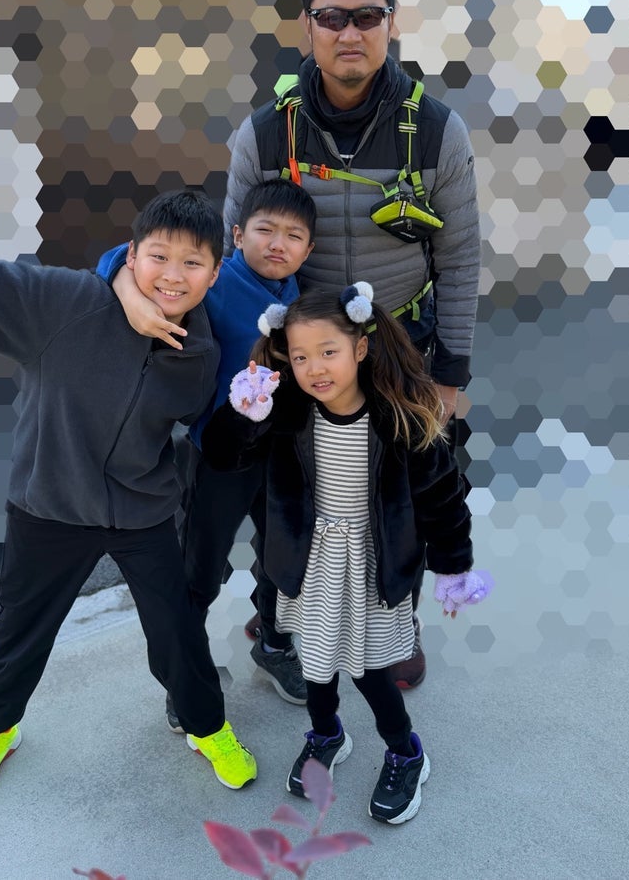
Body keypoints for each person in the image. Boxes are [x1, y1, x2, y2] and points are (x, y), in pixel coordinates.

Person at [0, 192, 257, 804]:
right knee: (20, 631)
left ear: (214, 271)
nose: (173, 276)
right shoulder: (65, 303)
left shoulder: (201, 350)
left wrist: (249, 412)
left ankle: (206, 728)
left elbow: (202, 428)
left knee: (178, 631)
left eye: (193, 263)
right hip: (49, 504)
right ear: (132, 254)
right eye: (159, 256)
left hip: (143, 510)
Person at [223, 0, 481, 688]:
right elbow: (230, 250)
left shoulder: (437, 131)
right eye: (332, 16)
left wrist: (450, 374)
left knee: (405, 496)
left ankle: (393, 625)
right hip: (298, 352)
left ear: (391, 23)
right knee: (287, 496)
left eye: (367, 15)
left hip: (400, 347)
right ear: (306, 25)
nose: (350, 32)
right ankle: (280, 619)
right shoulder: (264, 134)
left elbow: (460, 257)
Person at [200, 284, 492, 824]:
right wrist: (242, 414)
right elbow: (222, 456)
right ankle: (326, 734)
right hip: (309, 562)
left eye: (328, 351)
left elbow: (442, 498)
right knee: (315, 664)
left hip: (372, 566)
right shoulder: (285, 412)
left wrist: (453, 567)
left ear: (359, 348)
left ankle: (405, 751)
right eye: (301, 356)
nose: (315, 368)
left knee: (370, 671)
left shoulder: (400, 417)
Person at [99, 179, 317, 714]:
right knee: (200, 566)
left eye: (293, 236)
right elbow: (116, 257)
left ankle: (275, 644)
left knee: (286, 554)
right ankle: (185, 675)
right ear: (237, 236)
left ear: (309, 249)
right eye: (265, 230)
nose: (278, 245)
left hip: (283, 453)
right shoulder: (217, 281)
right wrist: (130, 295)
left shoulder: (300, 295)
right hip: (221, 455)